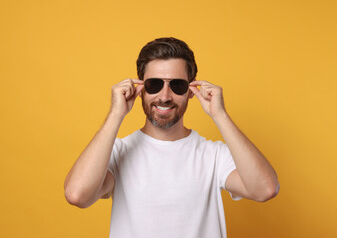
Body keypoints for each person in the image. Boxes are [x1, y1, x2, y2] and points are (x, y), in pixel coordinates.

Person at [64, 37, 280, 238]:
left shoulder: (214, 155)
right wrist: (115, 114)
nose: (165, 96)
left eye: (177, 85)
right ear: (140, 88)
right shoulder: (119, 153)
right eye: (154, 84)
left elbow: (264, 189)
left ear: (191, 90)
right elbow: (77, 195)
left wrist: (219, 115)